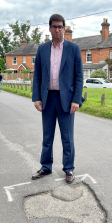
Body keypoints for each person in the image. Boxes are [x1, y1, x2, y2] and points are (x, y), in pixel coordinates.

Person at [32, 14, 83, 184]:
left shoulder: (73, 49)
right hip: (47, 98)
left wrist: (76, 99)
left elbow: (78, 77)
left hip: (67, 99)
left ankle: (68, 169)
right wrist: (36, 98)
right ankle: (46, 166)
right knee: (47, 136)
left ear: (64, 28)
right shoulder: (42, 49)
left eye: (60, 26)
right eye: (54, 26)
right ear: (49, 28)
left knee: (67, 137)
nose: (57, 29)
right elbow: (37, 76)